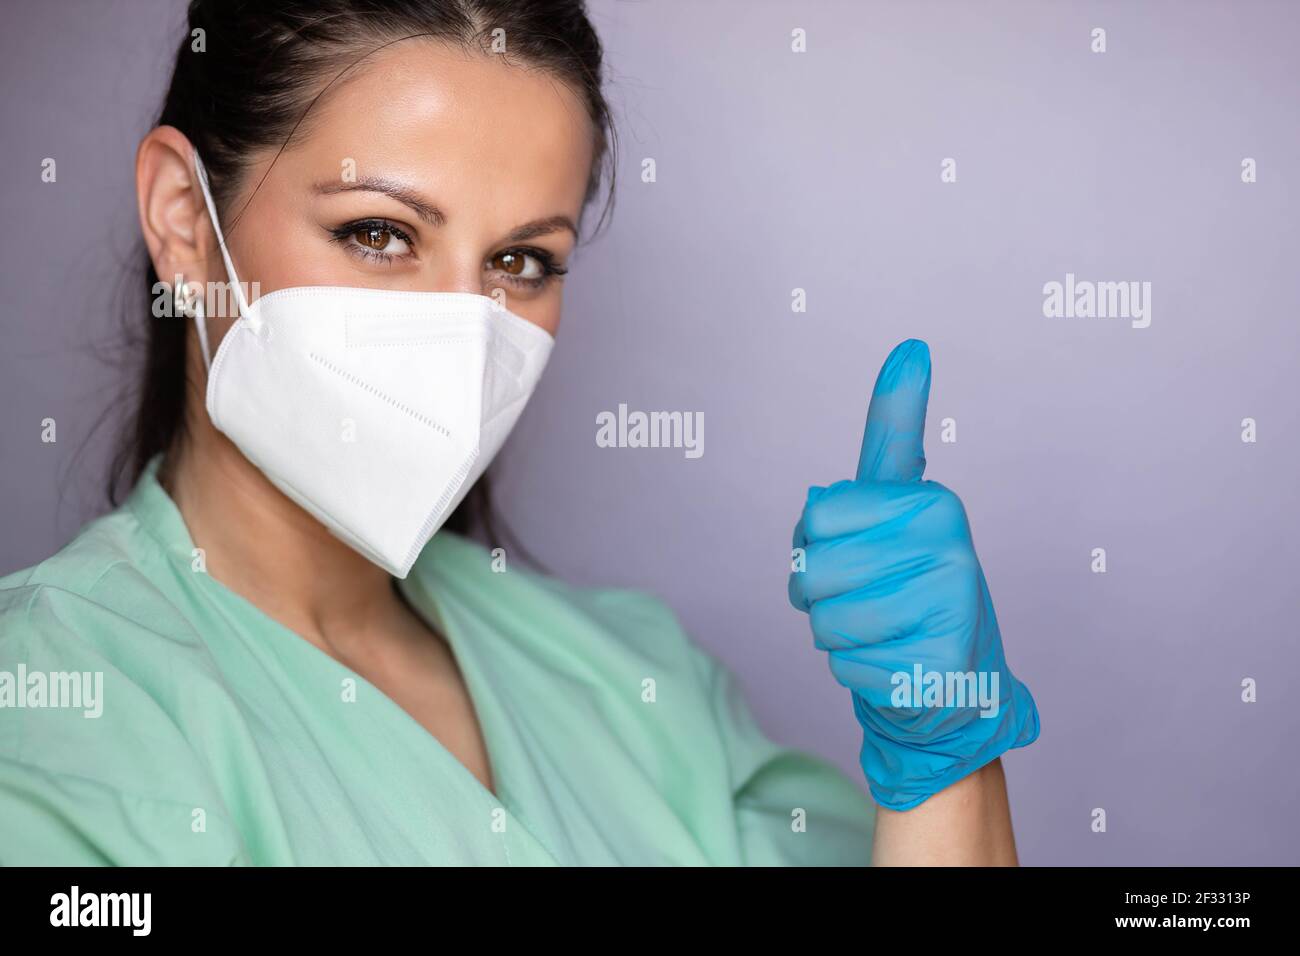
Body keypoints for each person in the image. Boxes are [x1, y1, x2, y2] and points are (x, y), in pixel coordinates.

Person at [0, 0, 1037, 865]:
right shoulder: (53, 708)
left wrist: (940, 752)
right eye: (380, 233)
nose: (462, 331)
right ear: (184, 218)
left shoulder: (636, 683)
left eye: (521, 261)